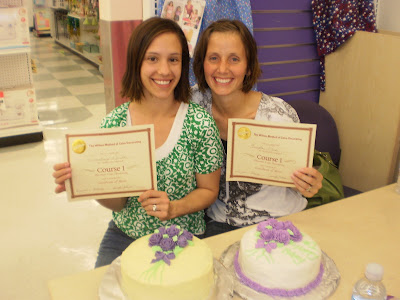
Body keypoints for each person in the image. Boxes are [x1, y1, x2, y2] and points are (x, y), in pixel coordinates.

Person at [53, 17, 223, 267]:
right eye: (152, 58)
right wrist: (86, 181)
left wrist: (174, 208)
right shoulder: (115, 125)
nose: (164, 70)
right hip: (124, 236)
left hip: (184, 236)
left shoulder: (199, 123)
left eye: (173, 59)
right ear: (136, 63)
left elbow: (209, 190)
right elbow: (118, 204)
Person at [192, 19, 323, 237]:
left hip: (281, 221)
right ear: (202, 64)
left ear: (249, 66)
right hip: (219, 224)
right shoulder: (193, 104)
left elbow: (300, 180)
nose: (222, 68)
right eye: (213, 58)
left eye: (234, 59)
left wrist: (308, 183)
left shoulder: (278, 115)